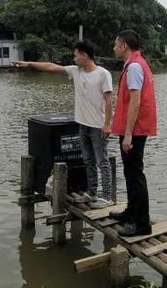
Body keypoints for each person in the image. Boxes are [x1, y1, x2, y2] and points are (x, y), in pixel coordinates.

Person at [13, 40, 114, 209]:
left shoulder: (103, 74)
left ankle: (107, 197)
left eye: (75, 55)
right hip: (82, 125)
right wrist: (30, 64)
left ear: (84, 55)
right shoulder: (76, 71)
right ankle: (92, 192)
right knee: (88, 160)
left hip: (98, 126)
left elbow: (109, 100)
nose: (73, 59)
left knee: (102, 161)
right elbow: (50, 67)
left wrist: (107, 124)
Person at [109, 29, 157, 237]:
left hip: (135, 130)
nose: (113, 48)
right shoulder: (136, 64)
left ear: (124, 46)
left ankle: (142, 224)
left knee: (135, 174)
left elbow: (135, 102)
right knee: (131, 172)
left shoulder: (135, 67)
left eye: (115, 44)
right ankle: (132, 212)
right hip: (134, 128)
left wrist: (128, 134)